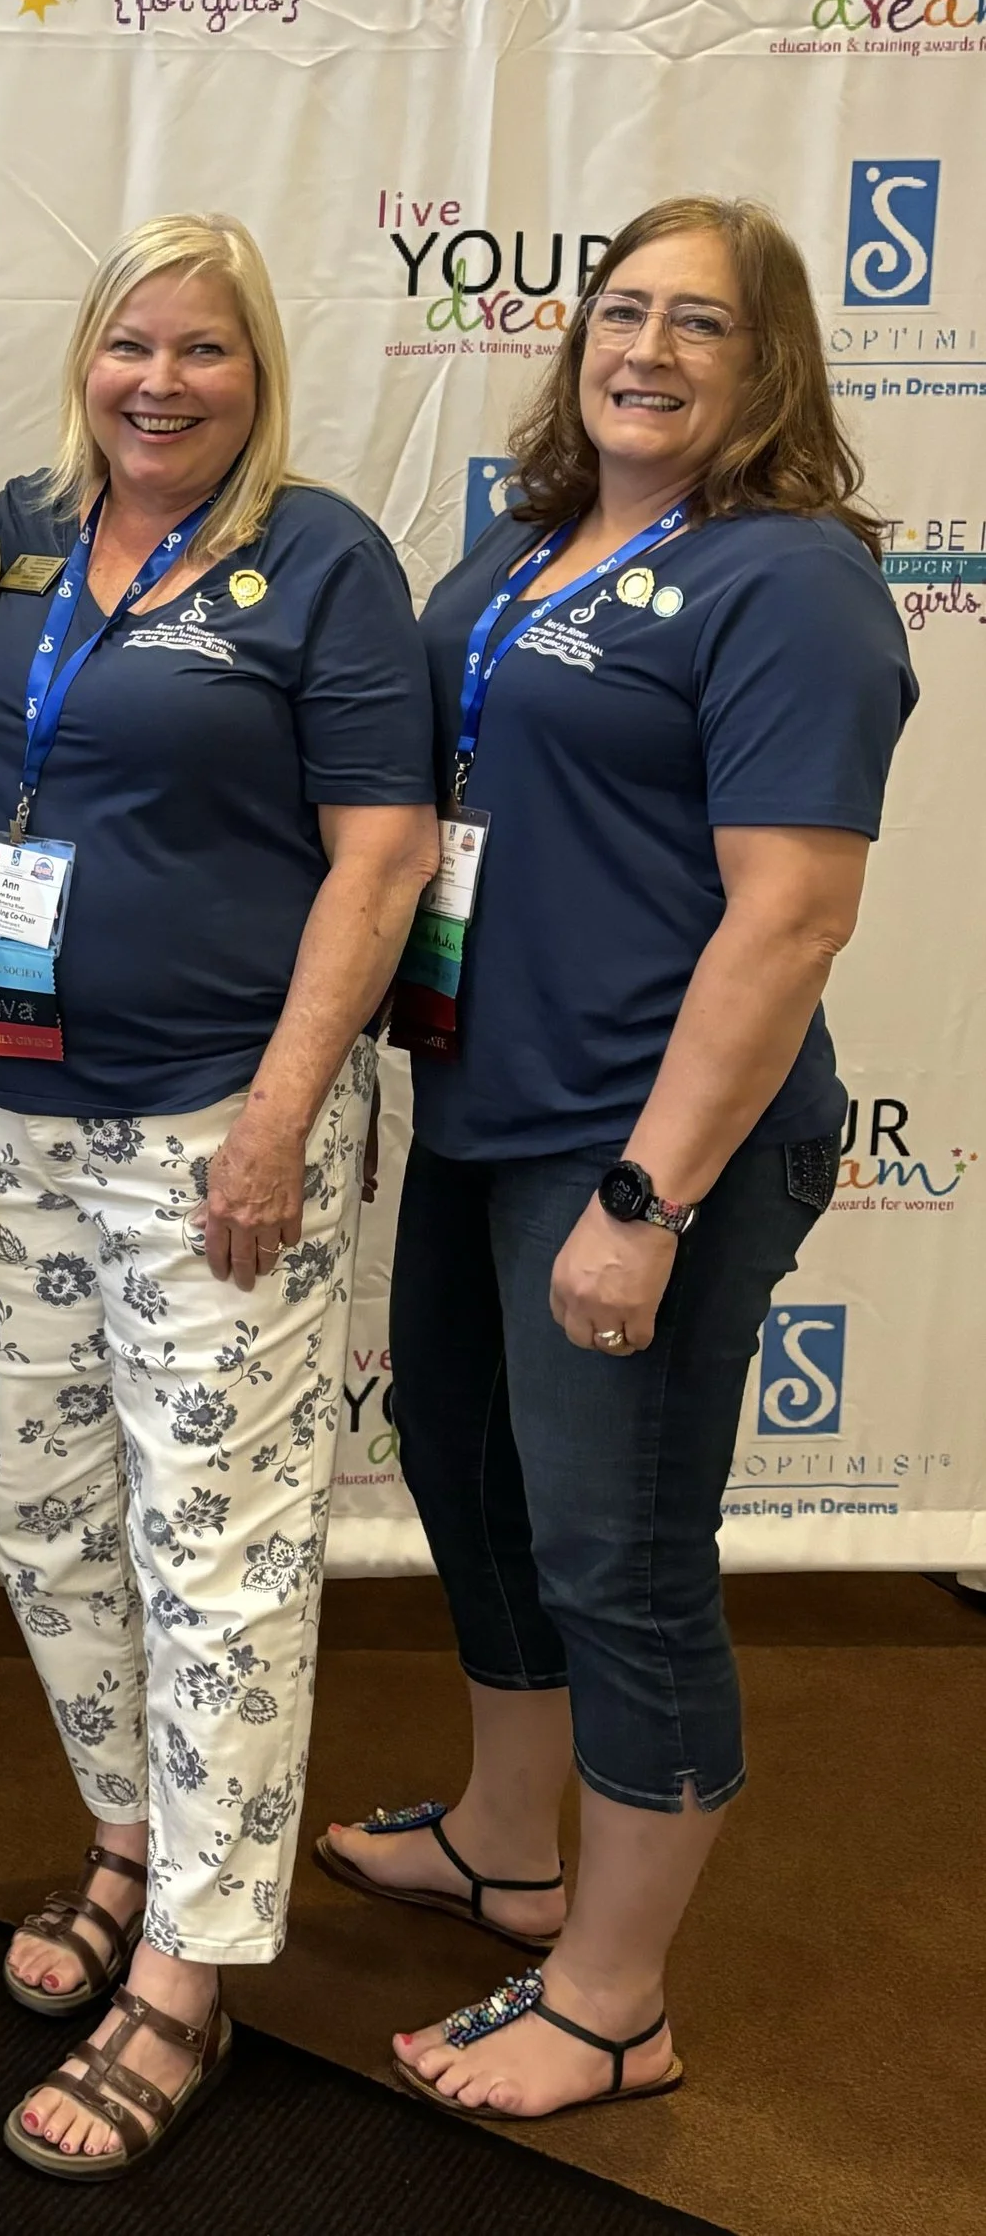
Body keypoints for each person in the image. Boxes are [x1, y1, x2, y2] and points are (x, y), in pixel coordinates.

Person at [318, 196, 915, 2119]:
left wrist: (645, 1201)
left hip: (650, 1143)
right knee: (470, 1484)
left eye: (703, 326)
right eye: (623, 310)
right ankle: (511, 1842)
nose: (645, 348)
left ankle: (616, 1995)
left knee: (623, 1556)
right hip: (486, 1105)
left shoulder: (791, 582)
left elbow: (792, 918)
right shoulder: (519, 543)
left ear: (772, 366)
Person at [0, 214, 439, 2179]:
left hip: (218, 1135)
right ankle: (131, 1841)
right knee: (56, 1521)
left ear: (256, 375)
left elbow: (378, 859)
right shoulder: (17, 539)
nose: (159, 381)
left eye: (201, 352)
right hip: (9, 1121)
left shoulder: (319, 560)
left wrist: (275, 1118)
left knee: (214, 1555)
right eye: (129, 344)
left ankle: (190, 1979)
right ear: (84, 358)